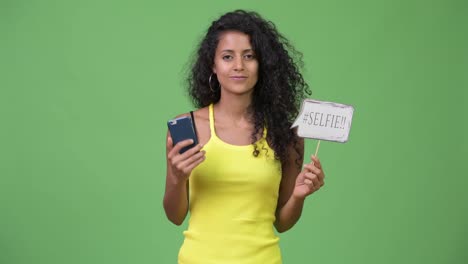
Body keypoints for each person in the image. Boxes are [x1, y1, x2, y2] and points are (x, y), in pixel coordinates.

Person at [163, 10, 326, 264]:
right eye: (227, 57)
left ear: (262, 64)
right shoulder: (186, 127)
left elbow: (282, 222)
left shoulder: (287, 134)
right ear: (213, 66)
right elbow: (175, 216)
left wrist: (298, 195)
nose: (239, 65)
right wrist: (176, 178)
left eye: (249, 56)